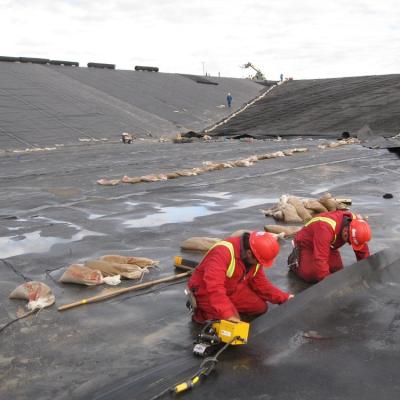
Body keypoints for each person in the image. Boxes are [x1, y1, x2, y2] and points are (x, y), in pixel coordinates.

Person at [187, 231, 293, 324]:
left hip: (232, 287)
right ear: (249, 253)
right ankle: (202, 313)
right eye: (259, 261)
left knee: (260, 308)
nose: (259, 264)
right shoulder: (223, 252)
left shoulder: (256, 255)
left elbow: (261, 283)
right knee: (230, 322)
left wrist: (284, 298)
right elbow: (214, 288)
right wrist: (229, 315)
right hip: (205, 290)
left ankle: (228, 308)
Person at [288, 210, 371, 283]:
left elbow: (362, 248)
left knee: (337, 270)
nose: (349, 244)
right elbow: (320, 260)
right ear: (345, 232)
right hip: (306, 245)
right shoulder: (325, 229)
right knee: (313, 274)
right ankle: (294, 263)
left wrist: (367, 270)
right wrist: (330, 285)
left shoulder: (356, 224)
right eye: (349, 242)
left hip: (327, 244)